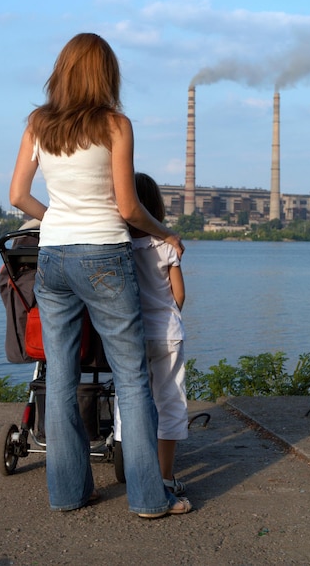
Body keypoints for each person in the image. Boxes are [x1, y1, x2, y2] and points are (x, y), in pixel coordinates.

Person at [9, 33, 192, 517]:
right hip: (105, 256)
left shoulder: (38, 124)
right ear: (106, 74)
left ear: (61, 71)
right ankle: (151, 498)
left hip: (54, 257)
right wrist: (166, 233)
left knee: (62, 374)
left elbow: (18, 195)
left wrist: (57, 219)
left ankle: (69, 493)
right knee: (131, 380)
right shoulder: (115, 125)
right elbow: (129, 207)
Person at [114, 173, 188, 496]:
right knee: (169, 401)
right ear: (156, 206)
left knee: (128, 400)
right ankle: (165, 476)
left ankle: (134, 471)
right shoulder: (166, 245)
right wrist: (169, 316)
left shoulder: (120, 247)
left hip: (131, 335)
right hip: (167, 334)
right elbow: (180, 295)